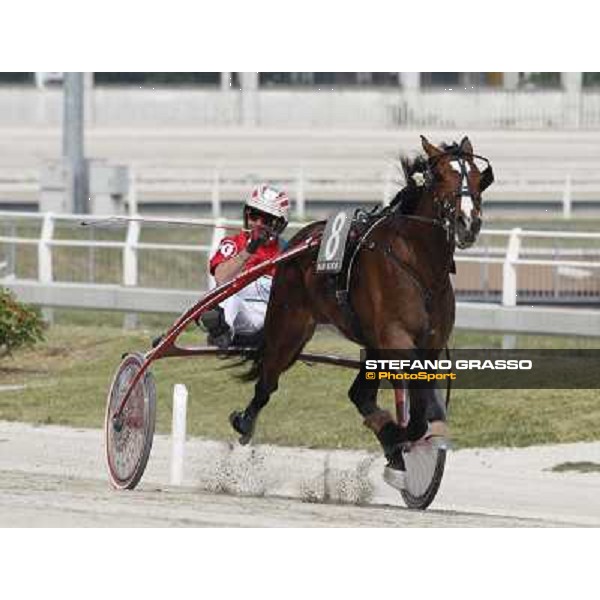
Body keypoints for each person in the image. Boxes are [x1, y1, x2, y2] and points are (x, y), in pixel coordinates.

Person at [200, 184, 290, 349]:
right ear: (246, 215)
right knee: (228, 297)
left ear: (279, 225)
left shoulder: (288, 252)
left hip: (270, 318)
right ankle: (221, 332)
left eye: (267, 220)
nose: (258, 224)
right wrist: (249, 250)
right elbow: (221, 278)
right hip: (241, 314)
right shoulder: (233, 243)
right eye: (254, 216)